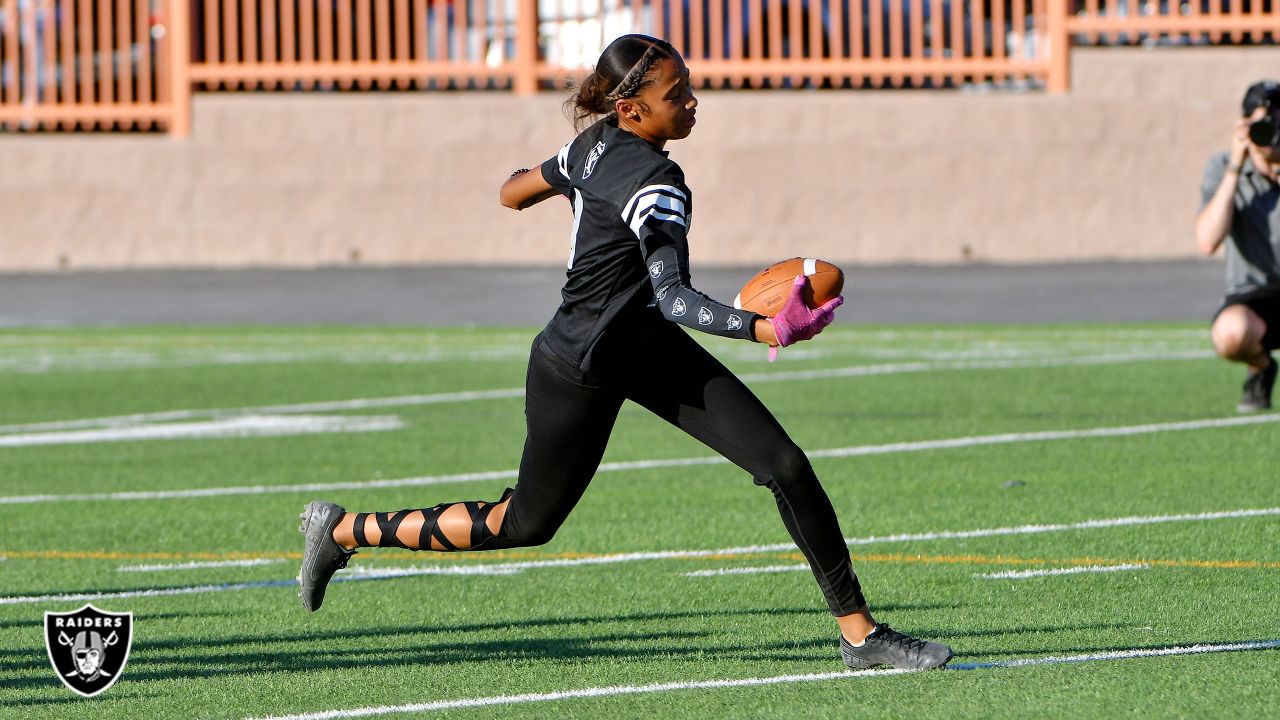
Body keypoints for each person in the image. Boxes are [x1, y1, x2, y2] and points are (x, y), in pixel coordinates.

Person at [296, 33, 952, 672]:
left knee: (785, 464)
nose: (694, 100)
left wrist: (561, 181)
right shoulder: (657, 180)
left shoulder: (591, 145)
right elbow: (674, 298)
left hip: (640, 344)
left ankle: (860, 636)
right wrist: (765, 329)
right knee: (522, 523)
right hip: (579, 363)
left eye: (690, 86)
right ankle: (346, 530)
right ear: (632, 108)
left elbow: (511, 192)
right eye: (679, 92)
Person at [1196, 80, 1280, 413]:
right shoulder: (1223, 167)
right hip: (1255, 296)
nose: (1271, 134)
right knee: (1231, 333)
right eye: (1262, 124)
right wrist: (1236, 166)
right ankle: (1261, 366)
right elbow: (1207, 241)